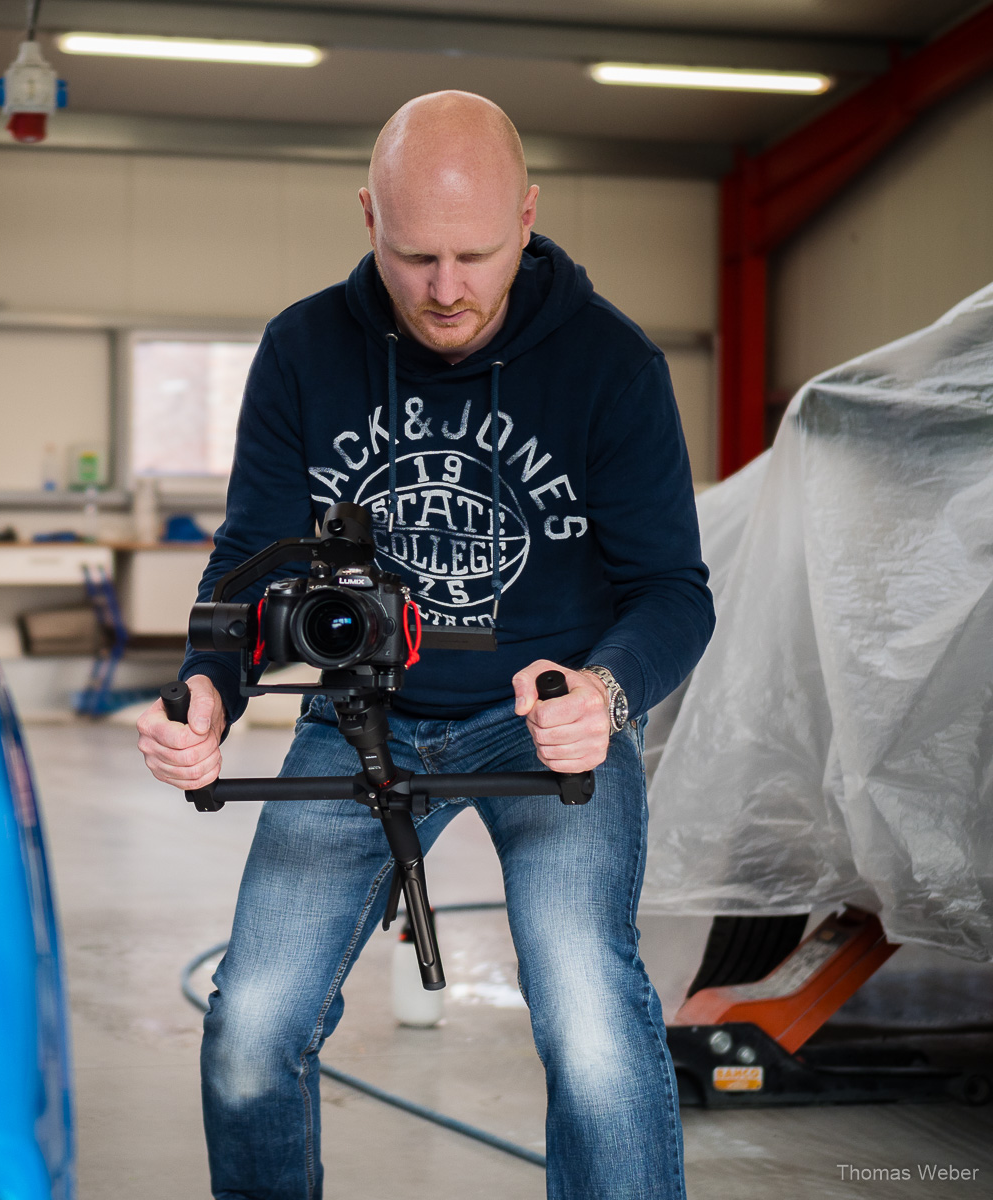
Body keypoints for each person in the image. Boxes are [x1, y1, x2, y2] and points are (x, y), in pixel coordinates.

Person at [135, 91, 714, 1200]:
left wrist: (605, 691)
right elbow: (250, 563)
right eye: (414, 257)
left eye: (474, 255)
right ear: (367, 217)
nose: (446, 290)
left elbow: (674, 593)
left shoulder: (613, 366)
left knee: (594, 1029)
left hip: (542, 726)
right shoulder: (304, 351)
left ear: (530, 216)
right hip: (357, 713)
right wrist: (207, 685)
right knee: (250, 1026)